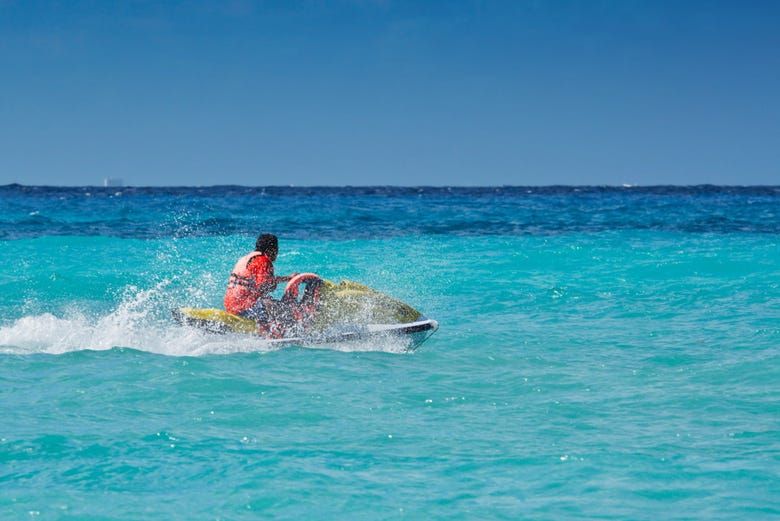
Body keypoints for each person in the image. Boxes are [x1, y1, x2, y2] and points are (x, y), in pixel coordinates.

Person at [224, 234, 295, 328]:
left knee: (268, 300)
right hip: (244, 307)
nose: (277, 254)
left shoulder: (246, 258)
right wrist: (281, 282)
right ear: (271, 249)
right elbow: (265, 285)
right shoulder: (263, 261)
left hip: (230, 305)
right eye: (277, 250)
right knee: (283, 309)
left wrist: (286, 278)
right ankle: (282, 333)